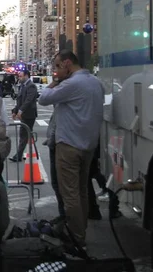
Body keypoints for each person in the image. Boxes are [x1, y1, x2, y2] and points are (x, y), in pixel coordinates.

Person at [38, 50, 104, 249]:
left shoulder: (72, 83)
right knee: (82, 190)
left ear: (67, 63)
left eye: (57, 67)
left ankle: (76, 237)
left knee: (70, 194)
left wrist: (55, 82)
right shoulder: (95, 82)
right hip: (88, 145)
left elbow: (44, 98)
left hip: (69, 146)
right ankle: (80, 230)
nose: (56, 72)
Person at [9, 69, 38, 162]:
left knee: (24, 135)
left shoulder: (31, 86)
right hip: (24, 115)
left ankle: (18, 155)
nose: (19, 78)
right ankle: (33, 153)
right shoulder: (22, 86)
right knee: (28, 135)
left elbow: (28, 100)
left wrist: (20, 111)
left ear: (26, 76)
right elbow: (19, 100)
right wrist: (15, 111)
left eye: (21, 76)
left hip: (29, 115)